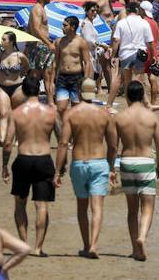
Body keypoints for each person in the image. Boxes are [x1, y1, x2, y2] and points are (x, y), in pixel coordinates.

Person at [54, 78, 117, 259]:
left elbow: (63, 143)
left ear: (80, 93)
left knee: (82, 207)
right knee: (97, 207)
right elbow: (113, 146)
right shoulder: (104, 114)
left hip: (79, 163)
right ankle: (94, 245)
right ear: (95, 92)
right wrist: (112, 167)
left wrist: (58, 171)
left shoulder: (72, 114)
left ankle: (85, 244)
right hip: (99, 163)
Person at [113, 80, 159, 261]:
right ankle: (142, 237)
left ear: (127, 96)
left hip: (127, 162)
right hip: (146, 162)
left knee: (132, 210)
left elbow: (113, 147)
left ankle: (134, 249)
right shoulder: (151, 118)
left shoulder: (120, 117)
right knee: (147, 206)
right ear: (142, 96)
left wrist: (110, 169)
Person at [1, 76, 57, 256]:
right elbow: (63, 137)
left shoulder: (17, 113)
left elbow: (8, 143)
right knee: (42, 206)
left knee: (20, 204)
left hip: (23, 159)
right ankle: (38, 247)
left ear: (23, 91)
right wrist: (61, 167)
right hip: (44, 158)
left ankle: (23, 244)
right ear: (38, 91)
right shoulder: (49, 112)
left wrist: (4, 166)